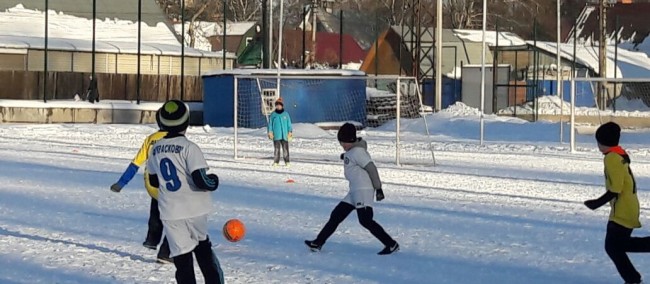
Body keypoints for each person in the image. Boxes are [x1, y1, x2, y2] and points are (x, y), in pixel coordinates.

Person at [146, 100, 224, 284]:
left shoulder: (155, 149)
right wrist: (213, 181)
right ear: (186, 123)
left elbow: (153, 180)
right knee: (203, 251)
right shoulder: (190, 148)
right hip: (194, 209)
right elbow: (200, 179)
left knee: (182, 261)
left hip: (170, 213)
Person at [305, 123, 399, 255]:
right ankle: (318, 243)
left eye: (343, 142)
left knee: (365, 220)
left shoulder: (358, 152)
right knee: (336, 215)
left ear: (350, 140)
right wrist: (344, 156)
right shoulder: (352, 152)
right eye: (340, 142)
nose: (342, 145)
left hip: (363, 191)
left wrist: (378, 188)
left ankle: (391, 244)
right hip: (354, 191)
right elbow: (351, 157)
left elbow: (371, 168)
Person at [584, 122, 650, 284]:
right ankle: (632, 278)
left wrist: (596, 203)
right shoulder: (618, 154)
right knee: (617, 246)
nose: (598, 145)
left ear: (603, 142)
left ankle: (632, 279)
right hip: (628, 207)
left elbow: (616, 188)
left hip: (622, 210)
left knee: (613, 247)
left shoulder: (612, 158)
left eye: (598, 141)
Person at [110, 109, 171, 264]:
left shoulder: (151, 139)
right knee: (178, 220)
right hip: (171, 188)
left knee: (156, 211)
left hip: (152, 186)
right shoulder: (177, 140)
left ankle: (151, 239)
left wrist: (121, 183)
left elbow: (135, 164)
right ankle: (165, 253)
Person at [267, 97, 292, 167]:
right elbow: (270, 125)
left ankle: (287, 161)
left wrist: (290, 131)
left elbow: (289, 124)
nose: (278, 106)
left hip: (284, 135)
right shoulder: (273, 115)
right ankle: (276, 162)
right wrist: (270, 132)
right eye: (277, 105)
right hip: (276, 135)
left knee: (285, 149)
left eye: (280, 105)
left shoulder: (286, 114)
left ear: (282, 106)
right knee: (277, 149)